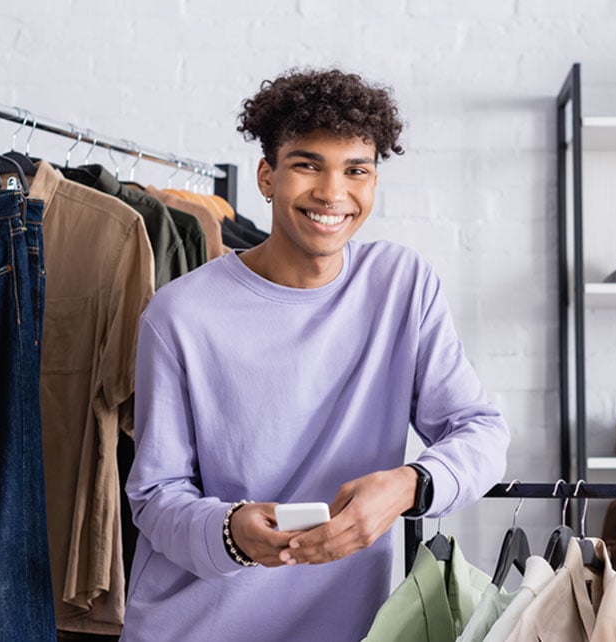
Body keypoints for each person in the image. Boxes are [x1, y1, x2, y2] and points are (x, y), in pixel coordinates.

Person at [120, 68, 510, 641]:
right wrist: (231, 529)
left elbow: (481, 431)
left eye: (357, 170)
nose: (333, 193)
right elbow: (155, 498)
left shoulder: (402, 285)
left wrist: (409, 484)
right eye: (308, 165)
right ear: (266, 176)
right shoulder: (179, 315)